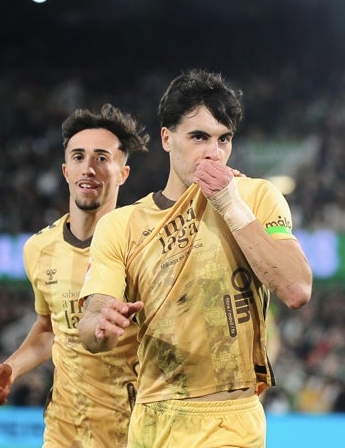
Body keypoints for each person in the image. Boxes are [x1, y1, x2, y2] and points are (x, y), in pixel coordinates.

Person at [77, 68, 313, 448]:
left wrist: (230, 204)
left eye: (224, 139)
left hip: (229, 423)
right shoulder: (121, 225)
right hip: (153, 421)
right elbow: (91, 325)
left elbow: (297, 288)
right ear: (167, 138)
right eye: (199, 137)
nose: (213, 152)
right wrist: (99, 325)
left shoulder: (256, 198)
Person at [0, 103, 150, 448]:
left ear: (123, 173)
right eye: (78, 157)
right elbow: (49, 329)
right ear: (65, 170)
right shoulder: (39, 248)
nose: (88, 168)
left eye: (102, 158)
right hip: (64, 429)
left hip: (133, 430)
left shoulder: (144, 246)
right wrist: (12, 368)